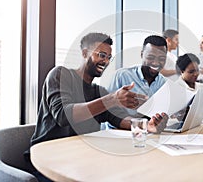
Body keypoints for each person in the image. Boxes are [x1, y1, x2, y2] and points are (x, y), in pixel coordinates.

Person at [25, 32, 168, 181]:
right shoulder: (60, 74)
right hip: (48, 163)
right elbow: (63, 115)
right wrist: (112, 99)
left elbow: (119, 119)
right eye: (101, 55)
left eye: (108, 57)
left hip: (81, 161)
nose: (105, 61)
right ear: (85, 53)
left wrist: (147, 126)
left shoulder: (98, 91)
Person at [107, 35, 168, 116]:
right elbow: (107, 108)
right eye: (151, 57)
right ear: (142, 54)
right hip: (119, 128)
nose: (156, 63)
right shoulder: (122, 76)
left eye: (161, 59)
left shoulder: (163, 82)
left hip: (148, 127)